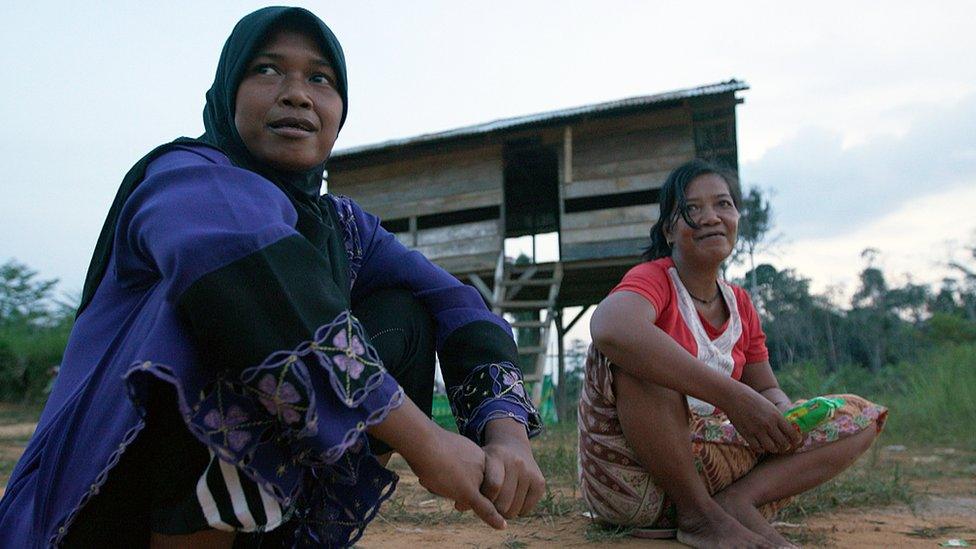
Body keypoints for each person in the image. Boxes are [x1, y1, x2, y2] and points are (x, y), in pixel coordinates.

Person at [0, 7, 544, 548]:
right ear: (228, 91)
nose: (297, 94)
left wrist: (507, 434)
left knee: (403, 313)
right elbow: (261, 280)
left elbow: (457, 302)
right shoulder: (183, 179)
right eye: (266, 70)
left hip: (257, 517)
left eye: (320, 78)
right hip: (101, 513)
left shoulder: (344, 227)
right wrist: (427, 443)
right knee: (228, 305)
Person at [579, 159, 887, 549]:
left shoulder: (740, 303)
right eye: (692, 209)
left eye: (723, 204)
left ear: (737, 218)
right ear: (669, 231)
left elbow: (767, 388)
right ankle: (698, 518)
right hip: (640, 487)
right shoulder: (654, 279)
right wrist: (733, 397)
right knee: (636, 353)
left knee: (858, 415)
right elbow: (611, 328)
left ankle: (738, 504)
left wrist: (781, 414)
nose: (711, 217)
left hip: (722, 471)